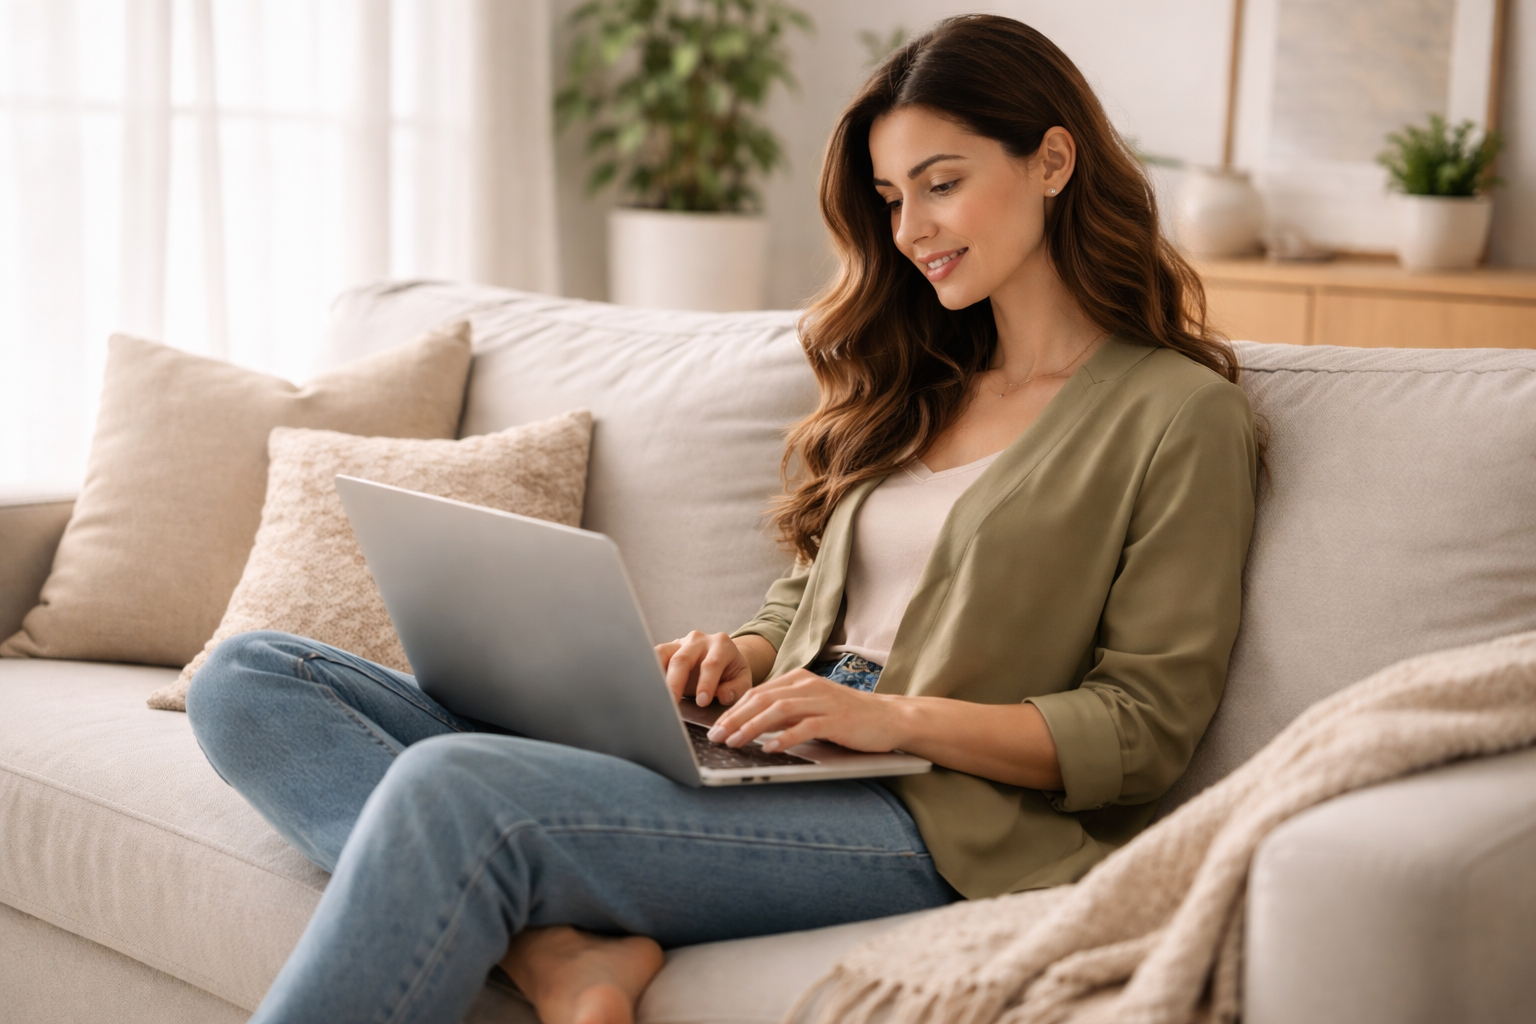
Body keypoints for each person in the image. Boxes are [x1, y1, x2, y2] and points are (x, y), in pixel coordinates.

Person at [186, 14, 1257, 1024]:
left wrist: (898, 719)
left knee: (450, 786)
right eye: (891, 197)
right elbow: (818, 598)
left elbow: (1143, 728)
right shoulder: (926, 376)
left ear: (1053, 163)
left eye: (942, 184)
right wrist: (739, 655)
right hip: (785, 751)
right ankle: (554, 945)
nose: (911, 228)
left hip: (931, 821)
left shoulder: (1178, 417)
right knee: (254, 680)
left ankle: (542, 924)